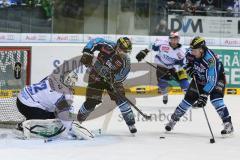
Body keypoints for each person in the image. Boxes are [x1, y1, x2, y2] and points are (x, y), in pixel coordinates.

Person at [165, 36, 234, 136]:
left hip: (217, 79)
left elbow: (212, 81)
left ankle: (228, 124)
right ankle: (173, 120)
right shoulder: (190, 52)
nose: (192, 52)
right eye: (191, 49)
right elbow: (185, 63)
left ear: (201, 50)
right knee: (187, 101)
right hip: (199, 78)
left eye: (195, 50)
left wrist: (204, 95)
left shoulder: (211, 60)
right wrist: (189, 70)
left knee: (216, 100)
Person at [79, 37, 137, 134]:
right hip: (95, 77)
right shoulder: (108, 45)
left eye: (126, 51)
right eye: (122, 50)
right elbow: (95, 41)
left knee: (121, 98)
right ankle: (79, 119)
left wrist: (113, 79)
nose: (123, 53)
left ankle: (131, 123)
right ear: (117, 46)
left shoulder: (126, 61)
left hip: (112, 82)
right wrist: (87, 51)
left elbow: (122, 76)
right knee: (91, 102)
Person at [16, 71, 90, 139]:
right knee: (52, 121)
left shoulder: (52, 77)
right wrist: (72, 129)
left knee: (53, 112)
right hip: (28, 105)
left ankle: (30, 119)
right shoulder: (60, 94)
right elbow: (64, 117)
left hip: (21, 97)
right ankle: (25, 126)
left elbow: (42, 88)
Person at [136, 32, 189, 104]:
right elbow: (152, 45)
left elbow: (182, 64)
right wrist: (144, 51)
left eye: (176, 39)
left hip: (174, 67)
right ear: (169, 39)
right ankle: (165, 94)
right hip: (162, 66)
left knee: (184, 83)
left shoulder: (182, 51)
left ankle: (189, 98)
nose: (174, 41)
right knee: (162, 84)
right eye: (172, 39)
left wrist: (174, 69)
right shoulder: (162, 44)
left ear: (178, 39)